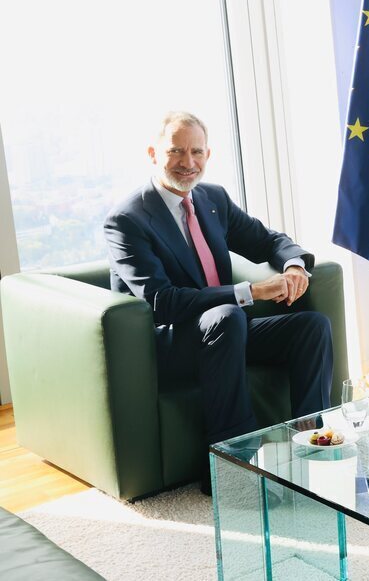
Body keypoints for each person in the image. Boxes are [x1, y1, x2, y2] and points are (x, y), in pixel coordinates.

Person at [104, 111, 333, 493]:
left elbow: (267, 240)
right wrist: (252, 292)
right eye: (176, 151)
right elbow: (163, 302)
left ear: (208, 154)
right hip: (167, 344)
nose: (188, 163)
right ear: (152, 153)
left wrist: (294, 265)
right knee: (228, 315)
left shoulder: (212, 199)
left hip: (227, 332)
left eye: (197, 152)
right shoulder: (128, 219)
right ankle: (235, 468)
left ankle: (311, 447)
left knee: (311, 327)